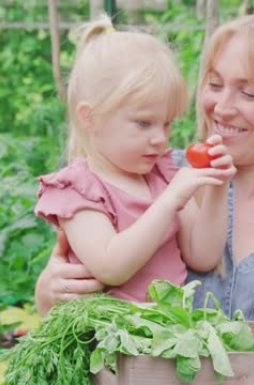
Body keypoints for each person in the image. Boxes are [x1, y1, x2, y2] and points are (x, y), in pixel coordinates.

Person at [35, 11, 254, 322]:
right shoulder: (153, 171)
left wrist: (212, 190)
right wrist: (48, 295)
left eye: (249, 93)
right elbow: (90, 275)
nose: (222, 107)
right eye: (215, 85)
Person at [34, 15, 236, 303]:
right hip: (105, 340)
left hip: (165, 336)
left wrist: (217, 187)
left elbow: (202, 255)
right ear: (90, 117)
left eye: (166, 124)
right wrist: (169, 201)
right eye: (143, 124)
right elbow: (110, 267)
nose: (159, 138)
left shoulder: (162, 175)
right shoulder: (79, 189)